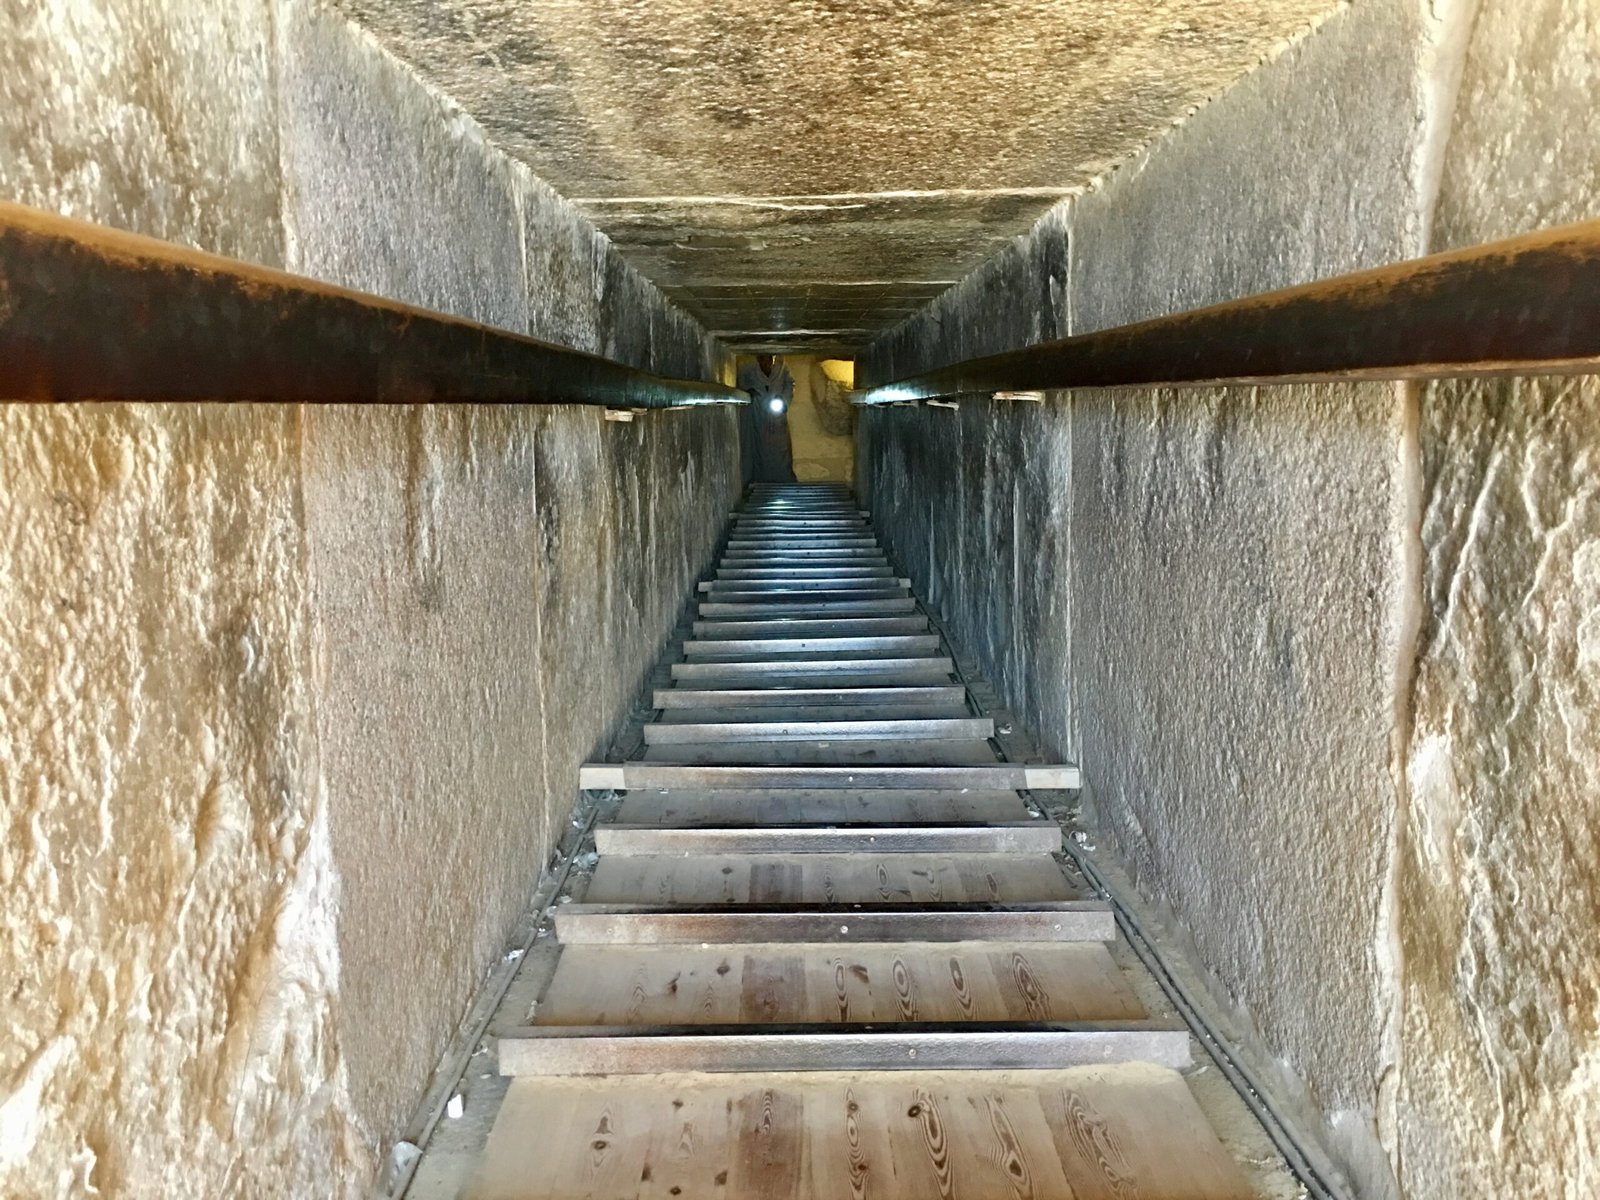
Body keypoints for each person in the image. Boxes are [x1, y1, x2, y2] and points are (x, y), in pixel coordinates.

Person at [736, 354, 796, 483]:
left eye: (769, 359)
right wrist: (748, 392)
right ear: (758, 359)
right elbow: (741, 383)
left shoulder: (782, 368)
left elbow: (790, 385)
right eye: (763, 359)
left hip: (776, 416)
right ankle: (758, 481)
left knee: (780, 450)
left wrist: (783, 401)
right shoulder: (748, 368)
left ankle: (783, 480)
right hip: (756, 414)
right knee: (756, 449)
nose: (767, 362)